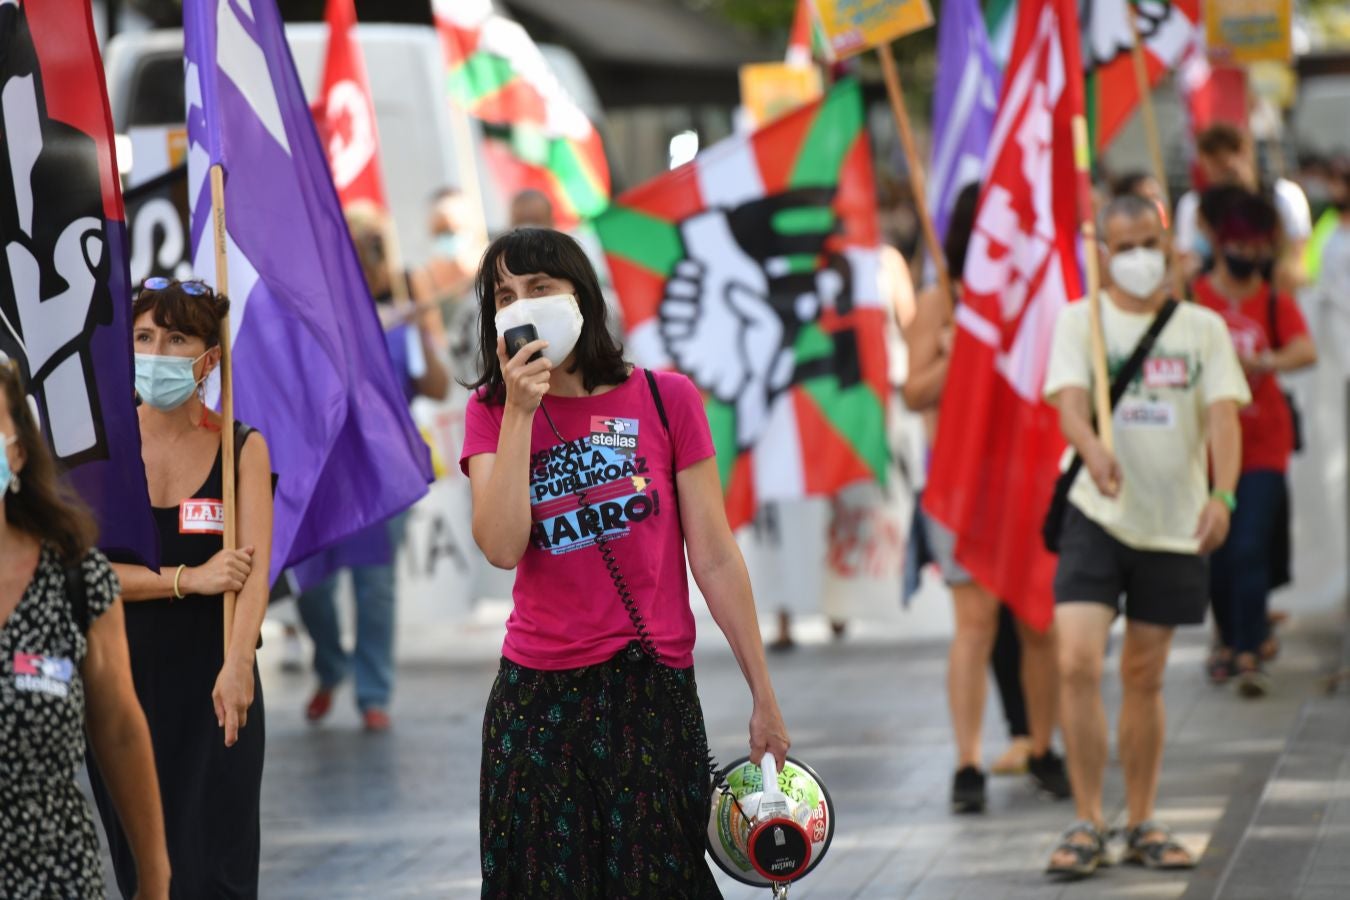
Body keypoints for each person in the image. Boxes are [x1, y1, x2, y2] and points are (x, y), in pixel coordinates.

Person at [461, 227, 790, 896]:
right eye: (505, 296)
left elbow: (715, 558)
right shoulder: (491, 411)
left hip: (651, 694)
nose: (521, 305)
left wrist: (763, 693)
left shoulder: (667, 399)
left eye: (539, 287)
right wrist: (521, 414)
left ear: (580, 297)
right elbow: (500, 546)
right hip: (539, 702)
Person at [1043, 194, 1249, 877]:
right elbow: (1070, 406)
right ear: (1102, 252)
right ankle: (1086, 821)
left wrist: (1223, 495)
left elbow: (1224, 417)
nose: (1137, 257)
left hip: (1173, 522)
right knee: (1076, 661)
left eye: (1147, 244)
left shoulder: (1201, 329)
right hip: (1095, 515)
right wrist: (1092, 450)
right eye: (1122, 245)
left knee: (1144, 674)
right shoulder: (1081, 321)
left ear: (1168, 247)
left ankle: (1141, 820)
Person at [89, 278, 273, 898]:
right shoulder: (101, 450)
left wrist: (239, 664)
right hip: (122, 685)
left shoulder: (241, 448)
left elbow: (254, 572)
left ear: (209, 358)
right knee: (147, 876)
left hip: (218, 684)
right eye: (143, 337)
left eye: (175, 339)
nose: (156, 352)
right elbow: (87, 575)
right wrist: (187, 579)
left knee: (220, 872)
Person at [903, 183, 1068, 812]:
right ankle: (967, 763)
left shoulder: (1035, 301)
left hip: (1028, 482)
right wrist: (963, 356)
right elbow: (914, 392)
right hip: (961, 486)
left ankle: (1043, 747)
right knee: (974, 626)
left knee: (1037, 622)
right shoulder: (938, 302)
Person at [0, 362, 170, 899]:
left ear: (19, 450)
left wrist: (154, 876)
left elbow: (118, 727)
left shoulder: (75, 578)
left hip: (55, 878)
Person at [297, 203, 450, 731]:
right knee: (312, 586)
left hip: (382, 475)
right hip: (321, 477)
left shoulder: (401, 320)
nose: (364, 260)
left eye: (371, 249)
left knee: (375, 586)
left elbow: (437, 387)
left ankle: (373, 692)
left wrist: (422, 325)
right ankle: (330, 666)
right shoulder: (312, 318)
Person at [1192, 188, 1317, 695]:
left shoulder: (1271, 299)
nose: (1248, 255)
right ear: (1220, 244)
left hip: (1264, 444)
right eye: (1240, 245)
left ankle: (1247, 648)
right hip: (1206, 449)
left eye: (1257, 247)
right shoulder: (1192, 297)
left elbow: (1305, 350)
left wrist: (1263, 361)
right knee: (1217, 549)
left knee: (1248, 543)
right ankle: (1228, 638)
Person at [1174, 124, 1312, 289]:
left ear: (1244, 153)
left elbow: (1297, 262)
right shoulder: (1194, 205)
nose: (1218, 176)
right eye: (1211, 169)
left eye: (1224, 166)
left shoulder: (1284, 196)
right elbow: (1186, 263)